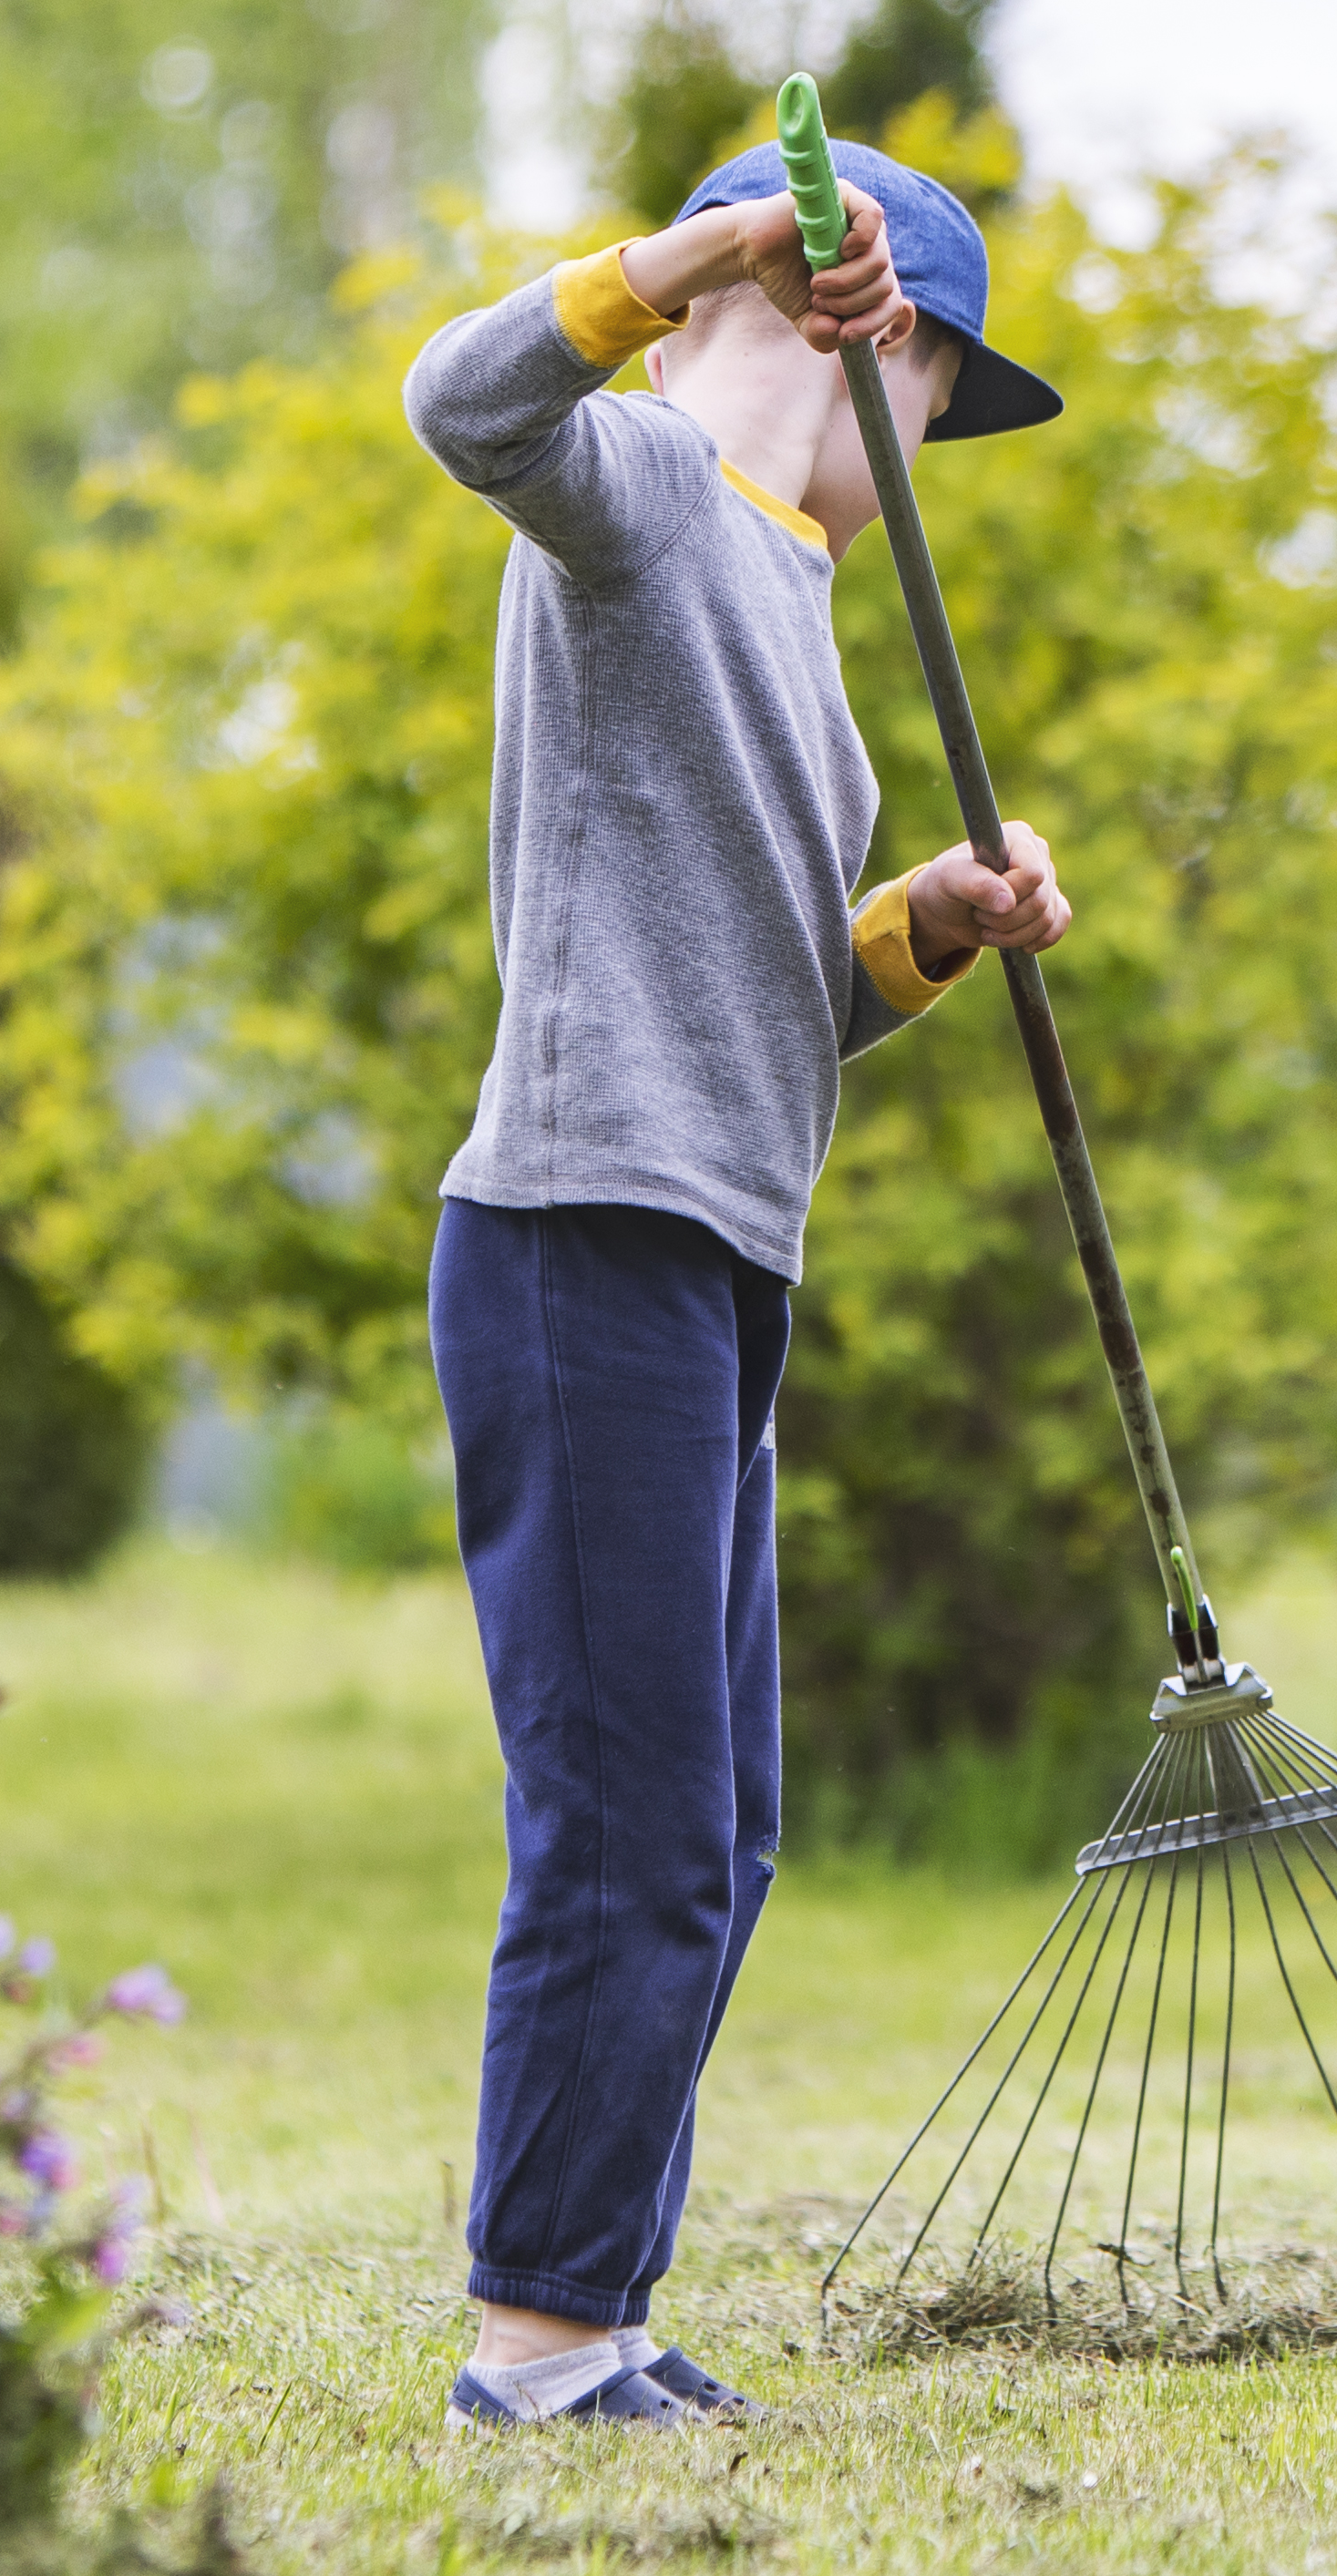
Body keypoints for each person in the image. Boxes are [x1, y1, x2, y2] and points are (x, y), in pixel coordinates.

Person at [395, 134, 1075, 2429]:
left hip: (715, 1251)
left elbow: (787, 988)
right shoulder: (645, 487)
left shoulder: (792, 618)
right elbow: (460, 400)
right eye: (944, 405)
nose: (928, 473)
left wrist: (926, 934)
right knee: (626, 1826)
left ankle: (601, 2302)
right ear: (877, 338)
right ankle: (536, 2342)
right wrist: (697, 257)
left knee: (718, 1835)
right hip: (585, 1227)